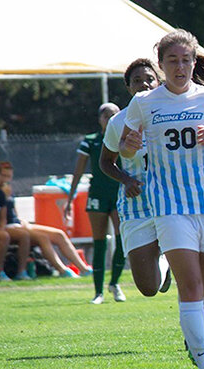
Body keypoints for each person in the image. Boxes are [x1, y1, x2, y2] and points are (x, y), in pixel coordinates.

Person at [119, 30, 204, 369]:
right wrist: (130, 144)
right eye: (173, 60)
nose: (180, 66)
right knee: (192, 286)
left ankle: (193, 335)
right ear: (162, 64)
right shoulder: (144, 103)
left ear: (194, 61)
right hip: (169, 208)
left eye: (186, 60)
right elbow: (124, 149)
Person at [99, 58, 171, 297]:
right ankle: (164, 262)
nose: (144, 84)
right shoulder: (118, 122)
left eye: (149, 79)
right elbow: (105, 162)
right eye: (137, 80)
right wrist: (126, 180)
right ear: (129, 88)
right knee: (149, 288)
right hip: (136, 206)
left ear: (159, 82)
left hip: (172, 203)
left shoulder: (172, 115)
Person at [65, 102, 127, 304]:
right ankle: (98, 292)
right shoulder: (91, 141)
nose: (110, 119)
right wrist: (69, 200)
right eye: (106, 116)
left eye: (114, 115)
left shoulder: (125, 139)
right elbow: (78, 171)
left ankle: (115, 283)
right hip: (98, 195)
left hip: (119, 194)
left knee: (122, 240)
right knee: (99, 242)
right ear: (99, 119)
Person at [0, 161, 92, 278]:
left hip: (17, 224)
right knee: (42, 238)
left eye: (9, 176)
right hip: (7, 228)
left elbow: (13, 212)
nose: (6, 179)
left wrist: (22, 221)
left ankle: (83, 268)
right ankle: (63, 270)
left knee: (59, 234)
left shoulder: (8, 189)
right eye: (4, 176)